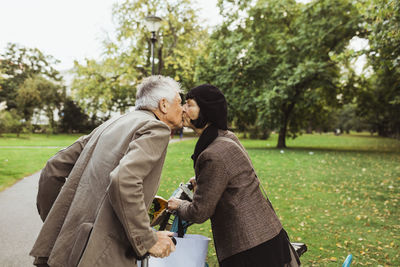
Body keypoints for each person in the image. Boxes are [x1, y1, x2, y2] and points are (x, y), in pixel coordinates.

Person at [30, 75, 183, 267]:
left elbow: (54, 167)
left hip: (61, 249)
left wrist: (60, 224)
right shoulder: (156, 128)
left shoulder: (110, 124)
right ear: (163, 105)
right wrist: (148, 239)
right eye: (179, 102)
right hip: (98, 256)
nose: (183, 108)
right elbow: (124, 180)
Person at [168, 84, 300, 267]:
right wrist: (202, 183)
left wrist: (179, 205)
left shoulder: (212, 154)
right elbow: (231, 179)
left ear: (207, 110)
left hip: (248, 249)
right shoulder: (227, 137)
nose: (183, 108)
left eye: (189, 104)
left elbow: (199, 212)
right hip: (268, 233)